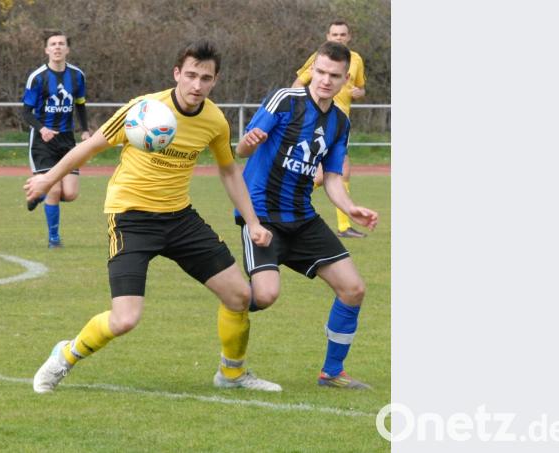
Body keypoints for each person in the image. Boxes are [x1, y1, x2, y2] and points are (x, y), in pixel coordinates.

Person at [24, 39, 281, 393]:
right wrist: (47, 179)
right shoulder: (143, 109)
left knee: (239, 296)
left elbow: (228, 170)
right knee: (125, 319)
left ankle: (231, 374)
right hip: (131, 218)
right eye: (190, 75)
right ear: (177, 73)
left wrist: (253, 222)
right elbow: (90, 146)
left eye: (205, 78)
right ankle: (65, 354)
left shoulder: (214, 120)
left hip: (179, 217)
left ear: (215, 81)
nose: (197, 85)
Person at [236, 41, 378, 389]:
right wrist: (248, 143)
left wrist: (350, 207)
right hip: (262, 215)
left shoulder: (340, 122)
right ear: (311, 69)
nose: (326, 81)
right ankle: (231, 301)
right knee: (264, 296)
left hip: (303, 218)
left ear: (345, 79)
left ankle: (332, 372)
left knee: (353, 289)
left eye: (334, 76)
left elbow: (332, 178)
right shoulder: (285, 100)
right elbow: (242, 150)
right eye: (321, 72)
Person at [292, 20, 367, 239]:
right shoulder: (319, 58)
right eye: (335, 34)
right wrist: (302, 110)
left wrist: (358, 93)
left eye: (342, 34)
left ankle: (343, 225)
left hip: (340, 123)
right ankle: (342, 225)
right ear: (328, 36)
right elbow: (297, 84)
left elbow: (361, 88)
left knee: (331, 173)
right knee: (332, 171)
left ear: (349, 37)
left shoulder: (356, 60)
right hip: (319, 120)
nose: (339, 38)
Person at [21, 29, 91, 248]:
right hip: (42, 142)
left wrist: (85, 130)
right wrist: (42, 128)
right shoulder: (37, 77)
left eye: (61, 43)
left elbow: (80, 104)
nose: (57, 47)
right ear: (46, 50)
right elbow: (25, 112)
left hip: (67, 141)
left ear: (67, 49)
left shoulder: (77, 76)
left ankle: (38, 194)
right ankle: (54, 239)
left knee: (70, 193)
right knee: (54, 188)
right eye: (53, 44)